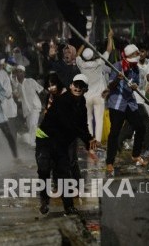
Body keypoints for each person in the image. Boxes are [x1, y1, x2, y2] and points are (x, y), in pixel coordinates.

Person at [35, 74, 97, 215]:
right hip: (45, 139)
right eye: (76, 85)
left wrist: (89, 142)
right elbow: (69, 124)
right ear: (70, 86)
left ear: (85, 90)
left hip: (61, 142)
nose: (77, 88)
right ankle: (44, 200)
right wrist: (87, 139)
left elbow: (82, 125)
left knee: (64, 173)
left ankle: (68, 207)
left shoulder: (82, 104)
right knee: (44, 170)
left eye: (81, 86)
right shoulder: (63, 101)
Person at [106, 44, 147, 176]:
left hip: (130, 103)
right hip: (117, 104)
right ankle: (109, 162)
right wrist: (117, 80)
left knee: (140, 127)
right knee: (114, 133)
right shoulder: (117, 66)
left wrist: (135, 86)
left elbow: (137, 83)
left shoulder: (136, 68)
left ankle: (135, 155)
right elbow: (110, 85)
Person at [76, 29, 114, 145]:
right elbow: (109, 49)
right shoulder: (99, 62)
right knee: (99, 119)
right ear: (92, 55)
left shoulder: (81, 64)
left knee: (88, 120)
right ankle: (97, 141)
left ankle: (89, 140)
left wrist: (84, 42)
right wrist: (110, 37)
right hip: (99, 96)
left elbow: (77, 54)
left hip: (87, 96)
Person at [13, 65, 44, 147]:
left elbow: (41, 90)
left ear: (24, 73)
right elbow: (18, 99)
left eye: (20, 71)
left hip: (35, 107)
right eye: (17, 72)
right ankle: (44, 139)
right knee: (32, 127)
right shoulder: (17, 87)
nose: (19, 73)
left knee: (33, 126)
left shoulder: (31, 81)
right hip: (26, 110)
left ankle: (33, 143)